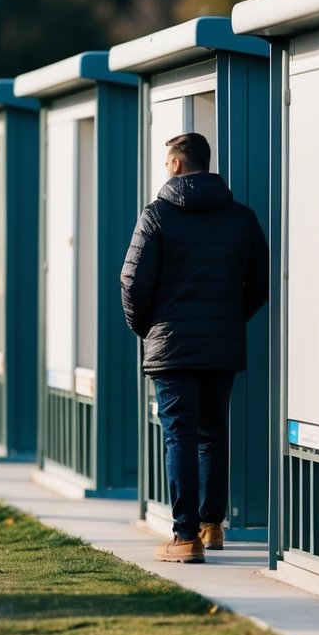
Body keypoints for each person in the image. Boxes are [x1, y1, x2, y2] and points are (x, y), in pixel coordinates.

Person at [120, 132, 269, 564]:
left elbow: (131, 281)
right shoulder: (242, 218)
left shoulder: (157, 216)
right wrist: (229, 319)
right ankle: (211, 525)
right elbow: (260, 282)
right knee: (212, 433)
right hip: (220, 344)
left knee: (179, 435)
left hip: (170, 346)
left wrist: (147, 329)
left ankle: (184, 538)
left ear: (177, 165)